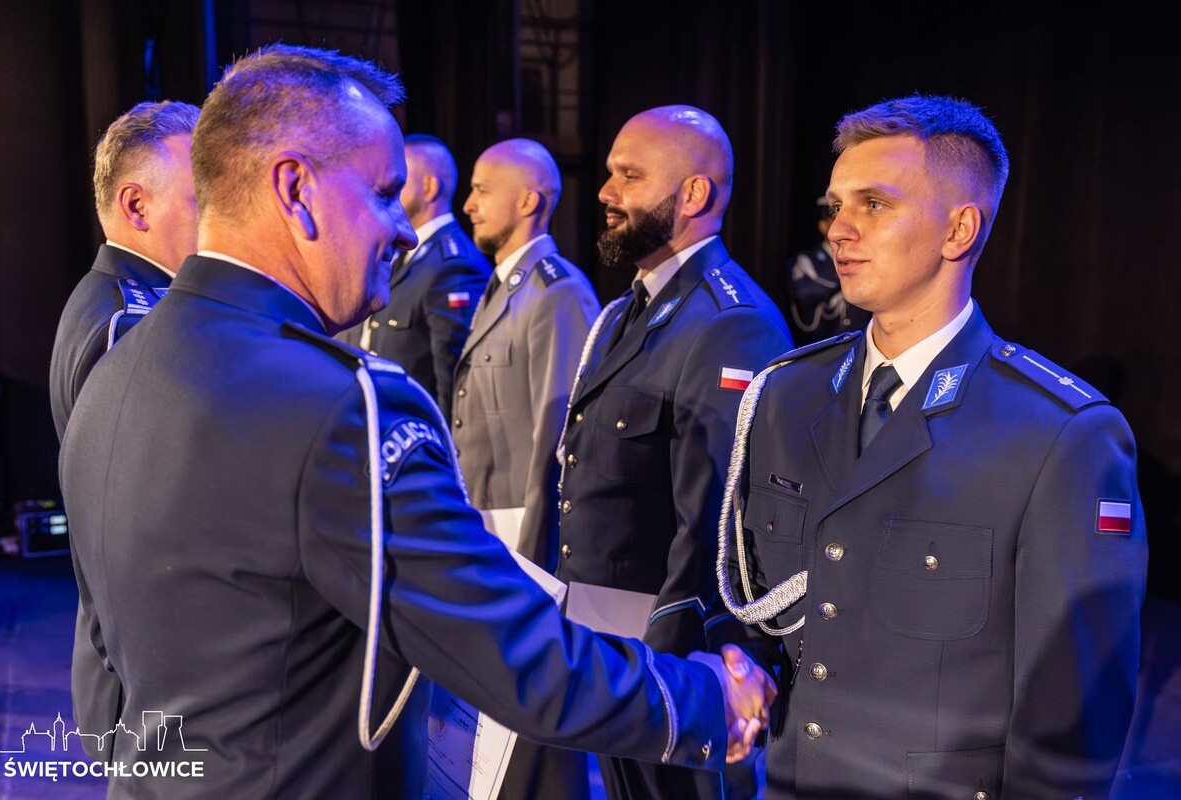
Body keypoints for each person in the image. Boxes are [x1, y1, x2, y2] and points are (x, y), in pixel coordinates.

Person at [59, 44, 775, 800]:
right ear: (295, 190)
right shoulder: (340, 406)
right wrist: (706, 702)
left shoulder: (117, 361)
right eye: (382, 194)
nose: (404, 232)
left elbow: (108, 651)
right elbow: (507, 651)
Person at [717, 94, 1148, 799]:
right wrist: (738, 665)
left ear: (958, 229)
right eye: (835, 206)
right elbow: (754, 602)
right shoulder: (786, 395)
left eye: (874, 204)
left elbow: (1070, 724)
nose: (838, 230)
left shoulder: (1059, 433)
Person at [555, 105, 794, 800]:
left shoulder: (728, 322)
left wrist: (669, 673)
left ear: (693, 194)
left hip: (670, 658)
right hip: (606, 639)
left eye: (629, 176)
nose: (606, 192)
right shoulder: (627, 311)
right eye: (609, 173)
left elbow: (715, 525)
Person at [47, 99, 200, 761]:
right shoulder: (132, 324)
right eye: (204, 197)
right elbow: (132, 532)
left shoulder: (119, 299)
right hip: (147, 687)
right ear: (136, 206)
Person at [454, 138, 599, 800]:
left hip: (522, 532)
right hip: (489, 522)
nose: (469, 203)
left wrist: (538, 559)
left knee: (535, 726)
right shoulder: (503, 288)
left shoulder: (556, 292)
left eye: (483, 189)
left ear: (529, 201)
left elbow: (558, 438)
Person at [337, 134, 490, 417]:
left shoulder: (453, 265)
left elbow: (453, 379)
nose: (385, 190)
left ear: (429, 187)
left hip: (416, 426)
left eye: (399, 182)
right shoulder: (403, 253)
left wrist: (441, 441)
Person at [783, 196, 866, 345]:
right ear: (823, 226)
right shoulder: (807, 259)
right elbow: (807, 291)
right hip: (821, 343)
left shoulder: (860, 257)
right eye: (833, 220)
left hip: (856, 343)